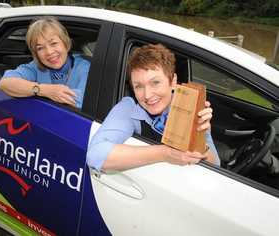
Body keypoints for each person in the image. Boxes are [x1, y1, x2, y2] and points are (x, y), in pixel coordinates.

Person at [87, 44, 220, 171]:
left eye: (155, 83)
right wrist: (164, 153)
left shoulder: (190, 106)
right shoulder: (130, 107)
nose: (147, 95)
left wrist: (199, 137)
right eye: (139, 86)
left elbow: (215, 164)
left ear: (173, 81)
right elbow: (95, 155)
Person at [0, 17, 90, 109]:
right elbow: (5, 83)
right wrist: (44, 90)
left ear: (65, 43)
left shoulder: (84, 67)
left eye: (53, 43)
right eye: (40, 48)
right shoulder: (36, 67)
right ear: (36, 53)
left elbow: (81, 102)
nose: (49, 52)